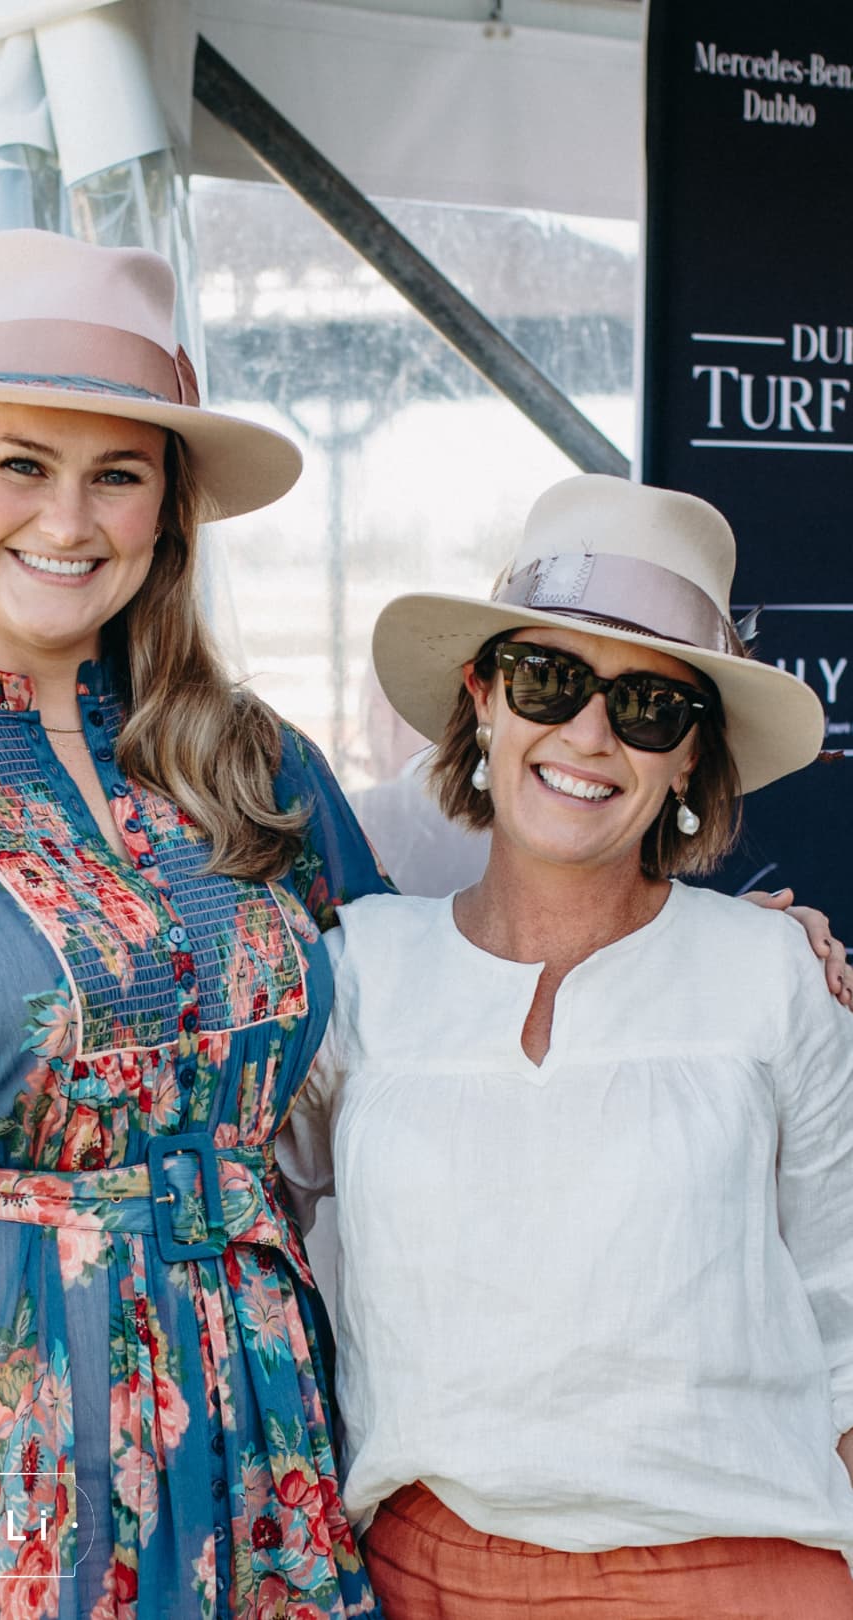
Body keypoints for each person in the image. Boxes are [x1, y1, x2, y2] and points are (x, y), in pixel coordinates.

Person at [0, 229, 389, 1620]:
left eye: (118, 474)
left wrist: (725, 944)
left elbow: (433, 1012)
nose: (69, 519)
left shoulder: (249, 761)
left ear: (168, 508)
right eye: (23, 464)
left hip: (267, 1449)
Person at [279, 474, 853, 1620]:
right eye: (550, 680)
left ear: (691, 757)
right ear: (481, 700)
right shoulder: (359, 971)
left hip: (741, 1574)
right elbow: (244, 1223)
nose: (589, 734)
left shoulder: (775, 975)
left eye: (649, 707)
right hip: (423, 1574)